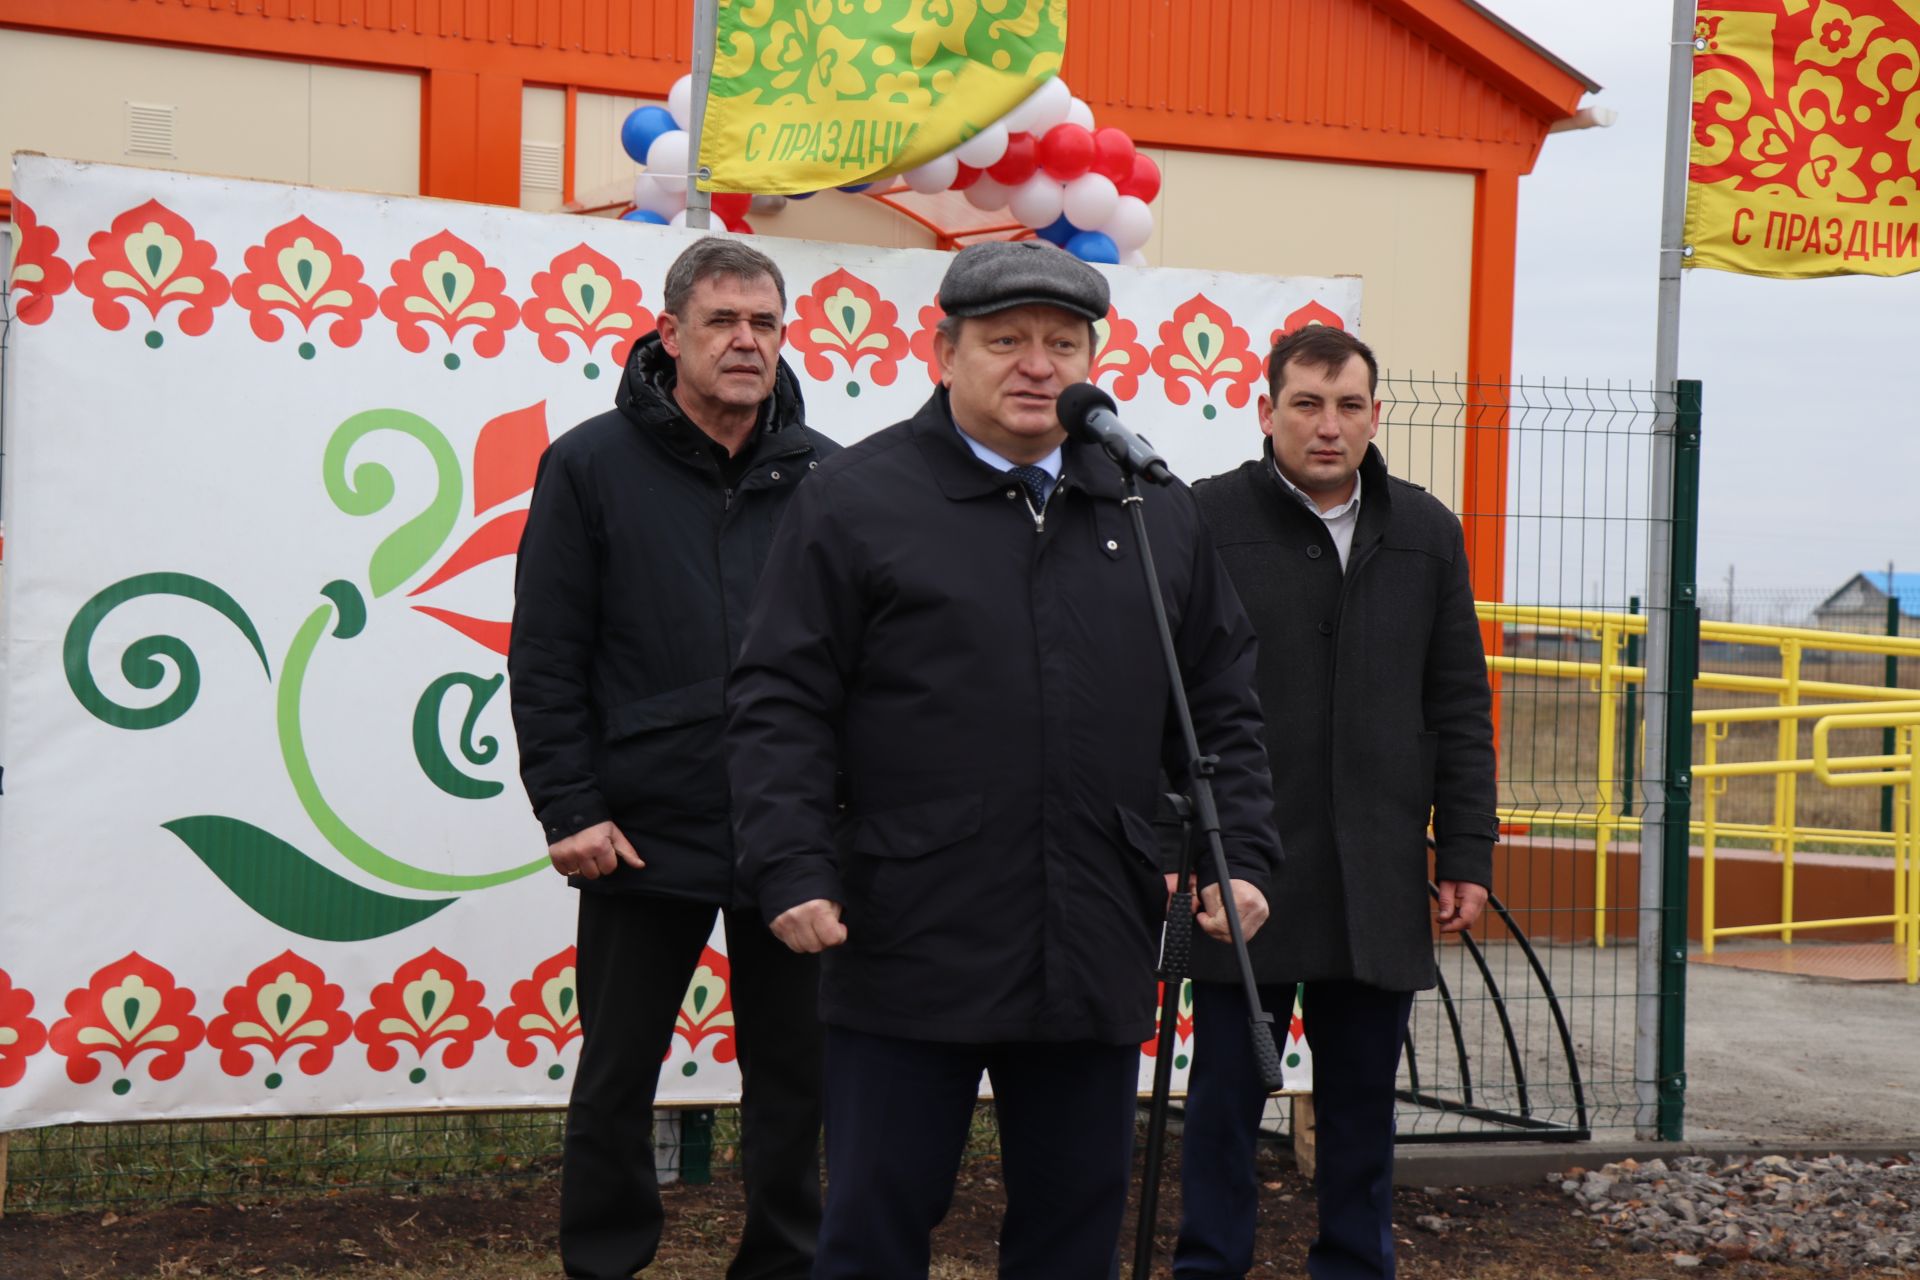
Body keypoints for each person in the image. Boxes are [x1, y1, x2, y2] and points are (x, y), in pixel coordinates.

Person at [725, 239, 1282, 1280]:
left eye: (1063, 343)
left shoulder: (1149, 506)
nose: (1038, 364)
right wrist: (792, 862)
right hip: (908, 929)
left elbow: (1222, 707)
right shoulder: (856, 498)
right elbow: (780, 699)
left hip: (1094, 929)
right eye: (1007, 340)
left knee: (1076, 1228)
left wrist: (1241, 851)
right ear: (944, 352)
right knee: (878, 1223)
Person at [508, 236, 838, 1280]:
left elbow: (864, 661)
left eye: (765, 324)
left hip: (793, 830)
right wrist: (568, 805)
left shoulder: (829, 475)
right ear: (670, 334)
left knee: (800, 1075)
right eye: (723, 322)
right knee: (615, 1074)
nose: (747, 342)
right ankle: (605, 1258)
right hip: (639, 833)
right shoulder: (589, 463)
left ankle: (785, 1260)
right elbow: (549, 651)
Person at [1171, 325, 1499, 1280]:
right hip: (1243, 870)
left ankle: (1356, 1265)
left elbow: (1459, 700)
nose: (1328, 426)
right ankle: (1209, 1265)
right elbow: (1167, 697)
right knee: (1226, 1101)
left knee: (1362, 1108)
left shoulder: (1427, 531)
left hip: (1376, 872)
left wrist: (1466, 852)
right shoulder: (1203, 518)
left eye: (1348, 405)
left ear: (1374, 415)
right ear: (1265, 410)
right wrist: (1186, 850)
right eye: (1307, 404)